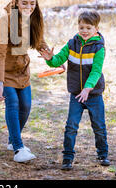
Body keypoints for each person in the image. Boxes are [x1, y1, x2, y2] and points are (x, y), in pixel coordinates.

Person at [39, 10, 109, 170]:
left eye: (88, 28)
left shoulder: (99, 47)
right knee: (71, 125)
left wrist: (87, 89)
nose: (84, 31)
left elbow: (96, 71)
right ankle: (67, 158)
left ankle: (103, 154)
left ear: (96, 29)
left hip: (93, 94)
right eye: (82, 27)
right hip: (76, 94)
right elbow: (58, 60)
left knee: (99, 126)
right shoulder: (72, 44)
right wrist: (50, 59)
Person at [0, 0, 50, 163]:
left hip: (21, 68)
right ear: (16, 2)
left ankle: (12, 140)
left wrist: (53, 58)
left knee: (26, 105)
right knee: (13, 103)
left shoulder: (34, 17)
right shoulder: (6, 20)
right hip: (3, 68)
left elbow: (39, 41)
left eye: (32, 3)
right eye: (24, 3)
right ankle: (18, 148)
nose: (29, 7)